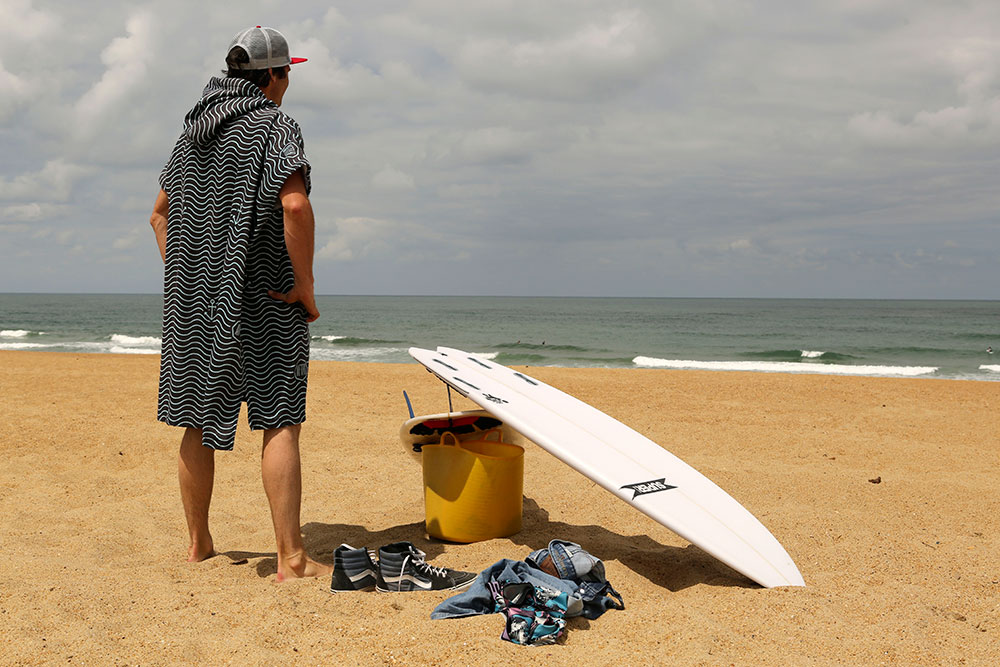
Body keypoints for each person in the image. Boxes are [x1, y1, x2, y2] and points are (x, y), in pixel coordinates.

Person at [149, 26, 329, 581]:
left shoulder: (192, 133)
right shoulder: (275, 126)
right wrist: (306, 285)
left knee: (195, 422)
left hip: (197, 302)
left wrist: (190, 278)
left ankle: (199, 544)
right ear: (271, 75)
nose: (290, 80)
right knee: (279, 420)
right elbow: (294, 207)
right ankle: (291, 557)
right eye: (287, 71)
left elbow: (159, 213)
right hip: (266, 297)